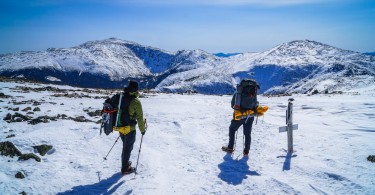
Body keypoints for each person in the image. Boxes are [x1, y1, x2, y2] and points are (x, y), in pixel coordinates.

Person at [109, 80, 146, 174]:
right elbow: (140, 117)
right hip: (130, 129)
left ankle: (125, 163)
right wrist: (142, 130)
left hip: (120, 127)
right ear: (136, 89)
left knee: (125, 147)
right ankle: (125, 168)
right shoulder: (135, 101)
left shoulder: (121, 97)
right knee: (127, 148)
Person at [222, 79, 259, 156]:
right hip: (250, 115)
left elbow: (233, 105)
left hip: (240, 115)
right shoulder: (253, 92)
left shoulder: (238, 93)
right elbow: (255, 103)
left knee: (232, 129)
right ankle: (246, 152)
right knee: (247, 133)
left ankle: (230, 148)